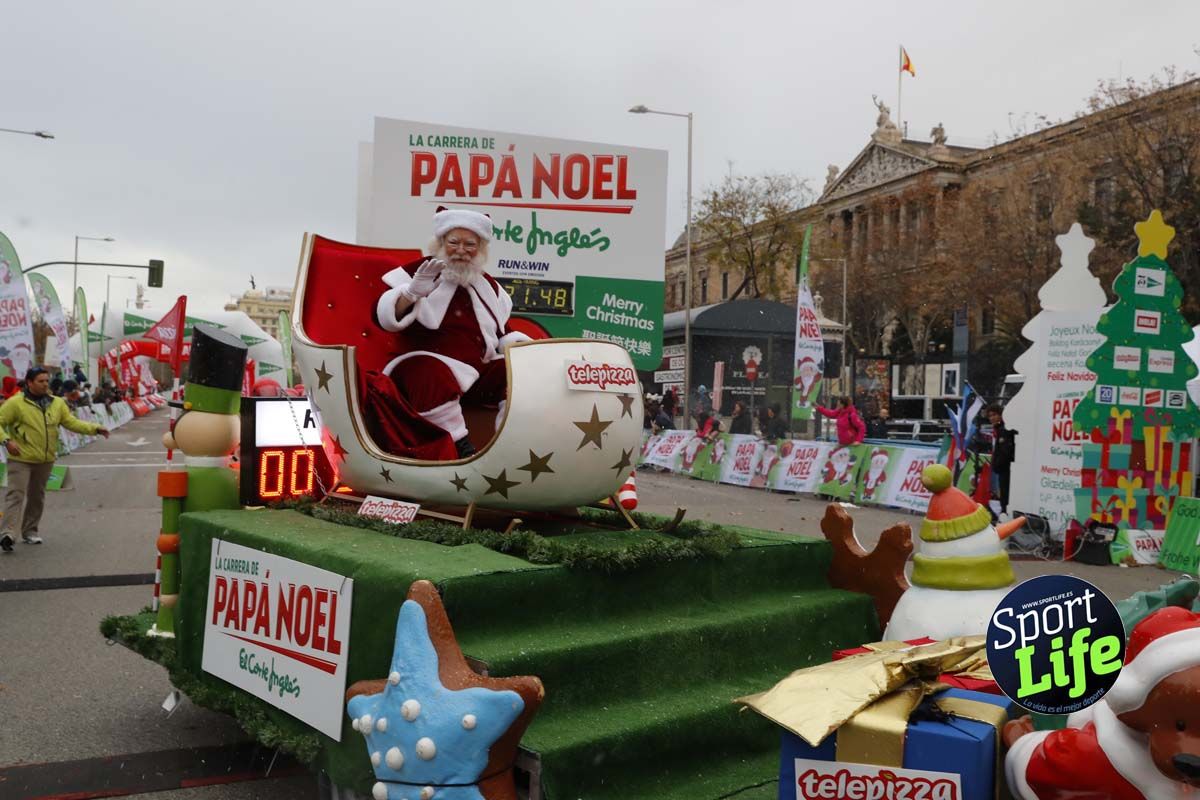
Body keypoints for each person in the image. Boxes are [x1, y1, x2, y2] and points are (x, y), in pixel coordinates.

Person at [376, 207, 531, 458]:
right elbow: (382, 316)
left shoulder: (488, 285)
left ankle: (509, 445)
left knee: (516, 372)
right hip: (423, 362)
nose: (461, 250)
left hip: (476, 370)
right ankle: (459, 448)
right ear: (440, 243)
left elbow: (502, 332)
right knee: (429, 374)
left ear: (480, 249)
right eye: (454, 242)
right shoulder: (417, 272)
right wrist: (411, 293)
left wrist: (523, 350)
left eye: (470, 244)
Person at [0, 366, 109, 551]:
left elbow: (71, 422)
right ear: (29, 383)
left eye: (46, 381)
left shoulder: (57, 403)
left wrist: (95, 428)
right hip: (21, 458)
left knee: (37, 497)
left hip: (45, 459)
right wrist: (6, 441)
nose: (45, 384)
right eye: (40, 381)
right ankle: (8, 533)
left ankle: (30, 532)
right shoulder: (15, 403)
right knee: (16, 494)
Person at [986, 403, 1017, 515]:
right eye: (990, 416)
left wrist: (997, 465)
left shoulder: (1004, 429)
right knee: (1003, 493)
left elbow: (1005, 451)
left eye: (994, 415)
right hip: (1001, 468)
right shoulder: (998, 429)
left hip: (1006, 468)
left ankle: (1005, 513)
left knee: (1006, 493)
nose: (992, 418)